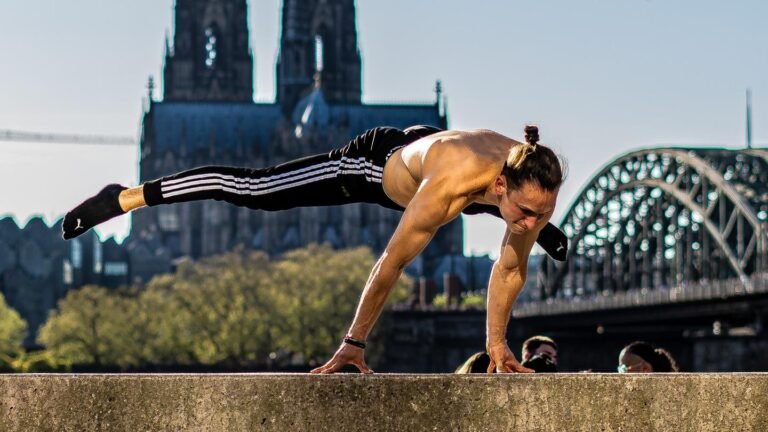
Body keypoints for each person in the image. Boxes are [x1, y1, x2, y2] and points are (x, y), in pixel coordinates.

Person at [62, 124, 566, 374]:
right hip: (371, 167)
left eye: (542, 213)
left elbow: (509, 268)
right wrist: (355, 341)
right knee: (255, 190)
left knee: (506, 228)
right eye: (527, 211)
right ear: (500, 184)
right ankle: (125, 196)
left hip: (434, 152)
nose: (530, 219)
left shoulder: (526, 173)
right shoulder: (454, 184)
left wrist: (497, 342)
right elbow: (392, 263)